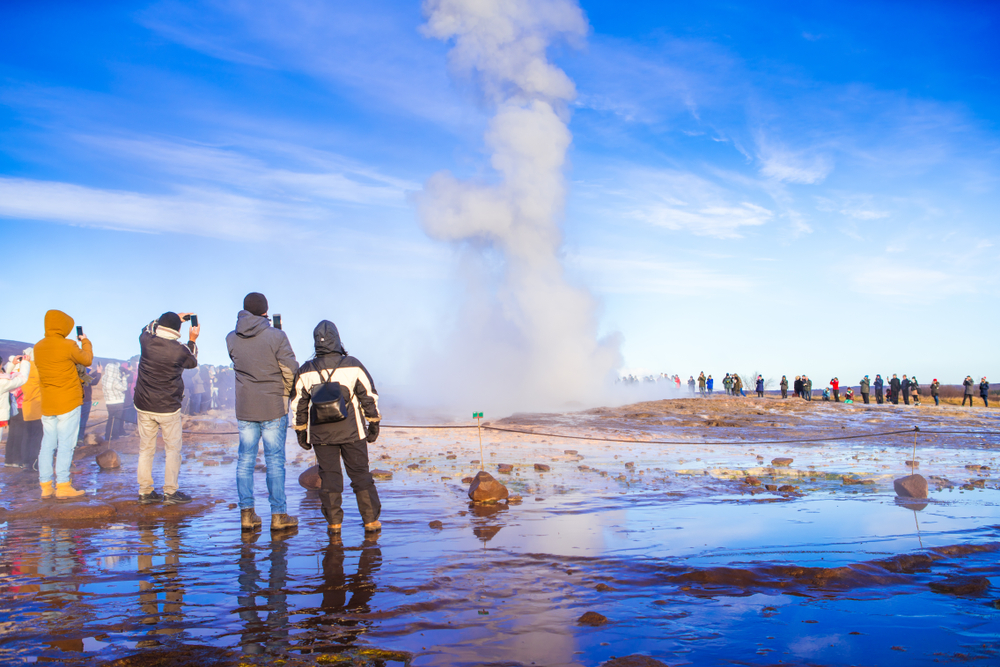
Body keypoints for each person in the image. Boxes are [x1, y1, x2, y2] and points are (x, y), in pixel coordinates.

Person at [290, 320, 382, 536]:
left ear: (316, 343)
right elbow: (368, 396)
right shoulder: (353, 365)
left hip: (321, 434)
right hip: (353, 431)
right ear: (337, 339)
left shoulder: (306, 370)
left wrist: (300, 430)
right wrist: (374, 422)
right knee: (360, 475)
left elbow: (298, 405)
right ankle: (370, 521)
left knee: (329, 477)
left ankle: (334, 524)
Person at [227, 292, 300, 533]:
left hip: (246, 407)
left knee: (245, 461)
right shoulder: (277, 336)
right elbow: (290, 369)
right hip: (272, 406)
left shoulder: (231, 338)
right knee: (275, 461)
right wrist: (286, 394)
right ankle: (278, 515)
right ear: (265, 312)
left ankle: (246, 515)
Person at [133, 312, 200, 505]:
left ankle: (145, 492)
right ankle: (170, 492)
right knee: (172, 449)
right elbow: (192, 361)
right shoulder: (180, 350)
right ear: (177, 330)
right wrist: (192, 339)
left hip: (144, 404)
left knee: (146, 449)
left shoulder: (146, 340)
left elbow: (147, 327)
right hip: (168, 407)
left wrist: (169, 318)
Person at [34, 309, 94, 499]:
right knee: (66, 444)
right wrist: (85, 341)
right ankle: (63, 485)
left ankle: (45, 486)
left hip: (48, 404)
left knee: (47, 445)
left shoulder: (38, 347)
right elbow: (87, 359)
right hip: (68, 401)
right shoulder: (68, 345)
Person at [1, 357, 31, 460]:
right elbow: (22, 379)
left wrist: (12, 364)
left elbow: (4, 374)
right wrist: (26, 363)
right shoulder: (3, 383)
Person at [101, 362, 128, 441]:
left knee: (110, 419)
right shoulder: (115, 380)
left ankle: (107, 436)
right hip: (118, 402)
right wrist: (124, 378)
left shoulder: (104, 378)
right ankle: (115, 436)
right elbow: (124, 388)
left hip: (108, 402)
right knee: (116, 420)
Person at [77, 363, 101, 443]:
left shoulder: (77, 375)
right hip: (85, 401)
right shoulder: (83, 377)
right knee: (82, 420)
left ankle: (77, 437)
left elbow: (88, 377)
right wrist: (99, 373)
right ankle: (79, 437)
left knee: (77, 420)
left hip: (78, 401)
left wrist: (96, 372)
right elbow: (94, 382)